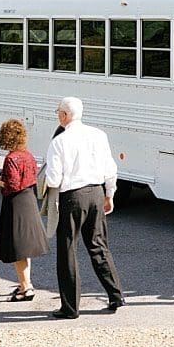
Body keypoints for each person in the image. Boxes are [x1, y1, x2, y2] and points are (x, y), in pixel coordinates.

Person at [43, 97, 125, 318]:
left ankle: (70, 307)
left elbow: (52, 180)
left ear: (64, 115)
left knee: (68, 250)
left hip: (72, 196)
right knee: (98, 245)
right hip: (96, 192)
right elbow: (110, 168)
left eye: (58, 112)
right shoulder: (98, 135)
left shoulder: (58, 142)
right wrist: (110, 194)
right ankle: (115, 294)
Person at [0, 119, 49, 302]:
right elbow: (33, 175)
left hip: (16, 203)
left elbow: (13, 184)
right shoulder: (28, 155)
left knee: (18, 248)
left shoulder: (11, 158)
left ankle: (26, 287)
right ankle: (25, 282)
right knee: (24, 246)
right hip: (29, 200)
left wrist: (0, 182)